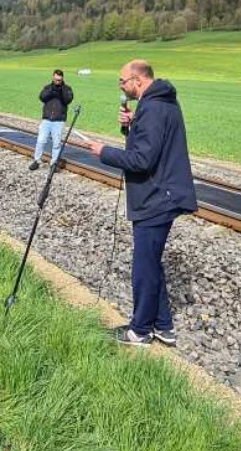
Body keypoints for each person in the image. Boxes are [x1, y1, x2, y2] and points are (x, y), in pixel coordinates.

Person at [87, 60, 197, 348]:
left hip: (156, 197)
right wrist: (131, 126)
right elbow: (150, 144)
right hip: (162, 194)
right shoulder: (160, 103)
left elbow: (142, 159)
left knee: (143, 268)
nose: (121, 86)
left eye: (122, 81)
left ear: (138, 80)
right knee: (151, 264)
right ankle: (164, 327)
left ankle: (140, 331)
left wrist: (104, 152)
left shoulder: (153, 108)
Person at [30, 69, 73, 171]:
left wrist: (61, 90)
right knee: (41, 141)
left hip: (59, 120)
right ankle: (37, 161)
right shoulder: (47, 87)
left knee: (57, 143)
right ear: (53, 78)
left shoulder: (67, 89)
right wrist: (51, 90)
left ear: (62, 79)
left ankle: (54, 163)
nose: (57, 82)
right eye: (56, 80)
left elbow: (67, 100)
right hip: (47, 119)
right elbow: (42, 97)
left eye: (59, 80)